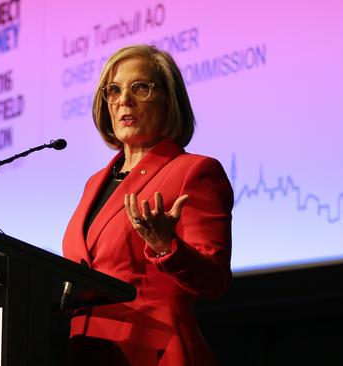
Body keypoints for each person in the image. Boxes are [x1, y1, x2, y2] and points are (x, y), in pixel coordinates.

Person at [62, 44, 234, 366]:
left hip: (151, 350)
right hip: (87, 352)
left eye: (140, 87)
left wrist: (166, 245)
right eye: (114, 90)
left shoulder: (194, 171)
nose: (124, 99)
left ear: (168, 100)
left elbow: (215, 280)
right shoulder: (94, 183)